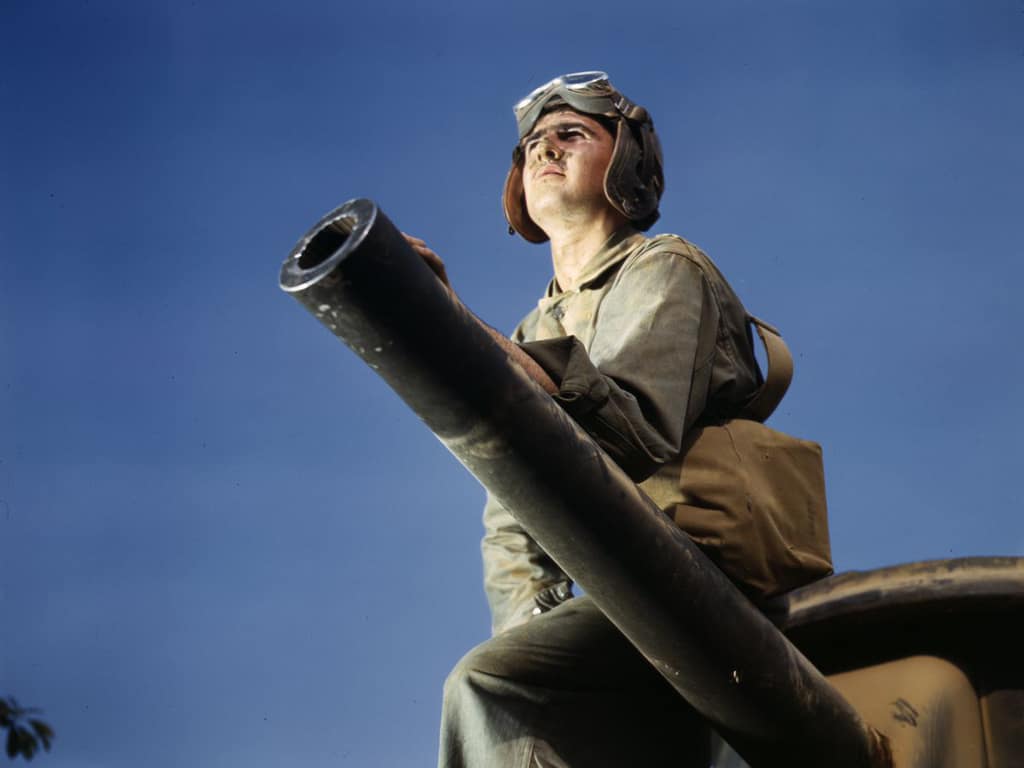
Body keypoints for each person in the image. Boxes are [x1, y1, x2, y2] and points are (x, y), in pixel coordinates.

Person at [406, 71, 766, 768]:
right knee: (507, 673)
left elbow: (631, 433)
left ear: (626, 161)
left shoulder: (668, 270)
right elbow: (511, 516)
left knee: (489, 688)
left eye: (572, 134)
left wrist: (456, 332)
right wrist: (533, 626)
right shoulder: (533, 328)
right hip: (614, 605)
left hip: (698, 583)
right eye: (534, 144)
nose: (545, 150)